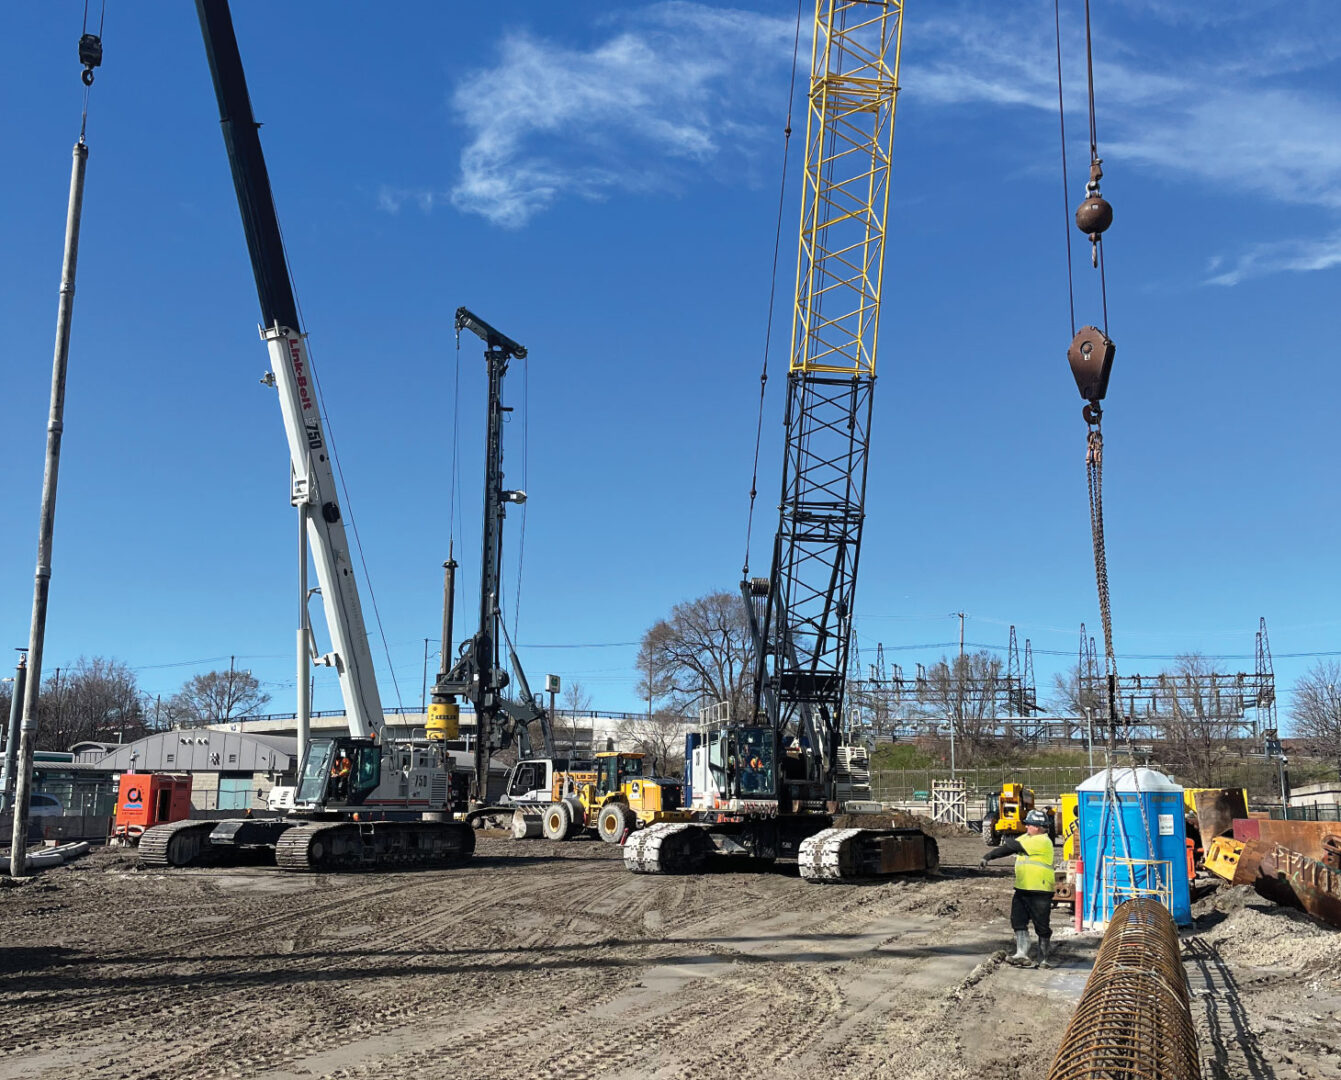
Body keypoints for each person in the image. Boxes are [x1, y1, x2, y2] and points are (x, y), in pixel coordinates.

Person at [980, 808, 1057, 968]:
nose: (1027, 827)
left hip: (1040, 890)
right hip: (1023, 889)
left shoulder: (1042, 840)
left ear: (1039, 827)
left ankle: (1043, 959)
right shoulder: (1028, 837)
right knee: (1018, 921)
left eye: (1030, 825)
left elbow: (1010, 847)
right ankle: (1022, 954)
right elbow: (1011, 844)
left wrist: (988, 856)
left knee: (1042, 926)